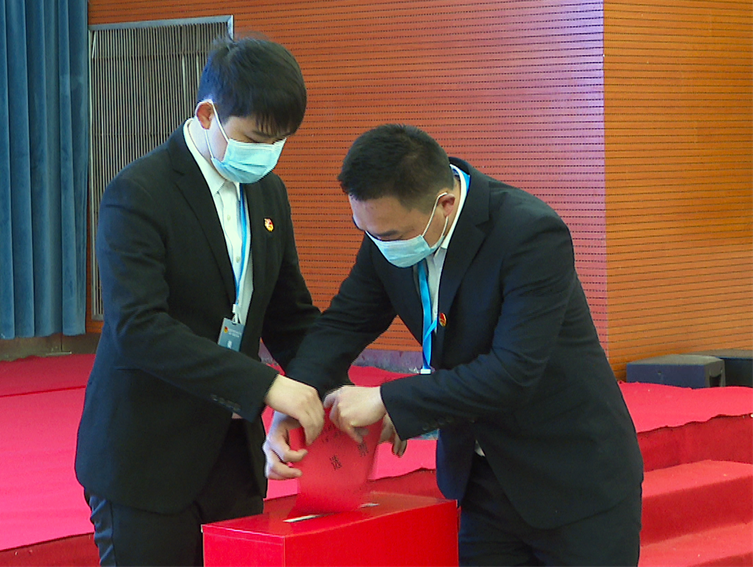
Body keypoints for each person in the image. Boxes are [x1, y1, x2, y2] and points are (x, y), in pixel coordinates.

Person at [266, 124, 644, 567]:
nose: (378, 244)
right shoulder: (386, 237)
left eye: (389, 235)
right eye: (365, 230)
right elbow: (341, 326)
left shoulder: (529, 233)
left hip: (572, 478)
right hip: (481, 482)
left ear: (444, 205)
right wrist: (295, 399)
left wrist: (387, 399)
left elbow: (512, 373)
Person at [75, 36, 326, 567]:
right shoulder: (139, 192)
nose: (267, 153)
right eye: (256, 138)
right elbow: (140, 328)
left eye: (280, 141)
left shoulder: (269, 192)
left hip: (233, 456)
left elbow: (289, 315)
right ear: (208, 114)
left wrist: (332, 387)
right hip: (147, 456)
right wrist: (267, 385)